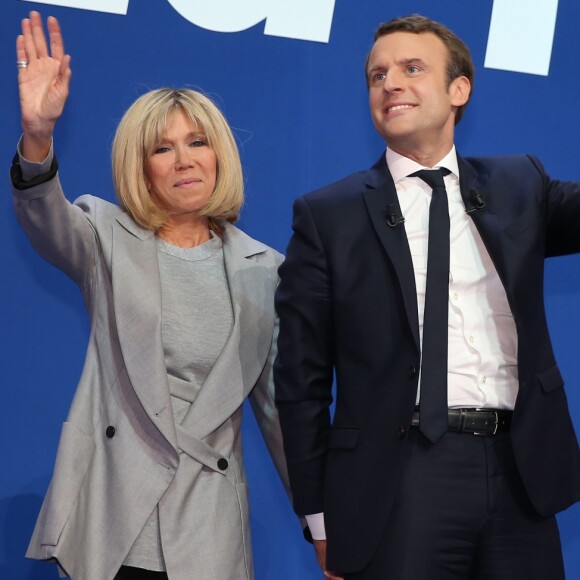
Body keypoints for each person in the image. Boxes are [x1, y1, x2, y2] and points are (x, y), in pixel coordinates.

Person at [274, 13, 580, 580]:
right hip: (402, 477)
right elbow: (299, 379)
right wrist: (318, 514)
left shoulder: (520, 184)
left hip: (522, 471)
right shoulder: (327, 216)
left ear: (458, 89)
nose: (390, 83)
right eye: (377, 75)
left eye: (412, 68)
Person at [11, 11, 291, 580]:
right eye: (162, 149)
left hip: (207, 526)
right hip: (114, 520)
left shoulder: (266, 270)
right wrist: (38, 137)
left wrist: (322, 520)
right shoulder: (103, 235)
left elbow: (279, 411)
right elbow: (44, 221)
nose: (184, 159)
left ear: (220, 154)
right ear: (141, 167)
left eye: (197, 142)